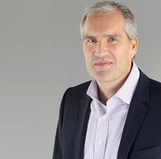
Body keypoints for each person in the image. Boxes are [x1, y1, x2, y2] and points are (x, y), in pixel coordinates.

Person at [53, 1, 161, 159]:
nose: (100, 51)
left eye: (112, 39)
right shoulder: (71, 100)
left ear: (133, 46)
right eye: (91, 40)